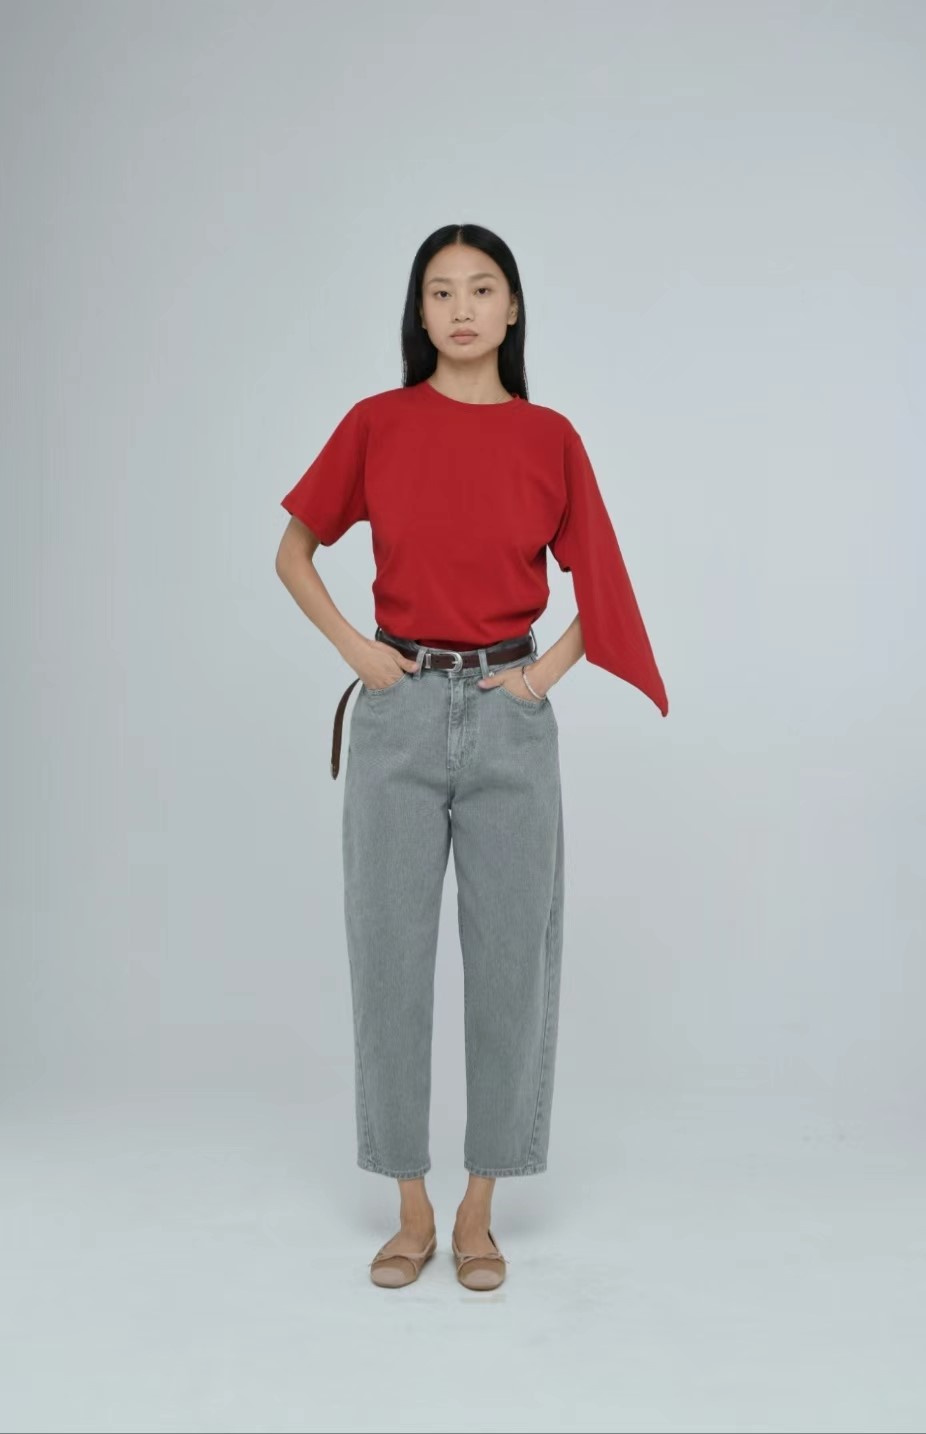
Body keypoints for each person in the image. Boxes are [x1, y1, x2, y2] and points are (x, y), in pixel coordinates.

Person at [275, 223, 668, 1291]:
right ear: (419, 313)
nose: (460, 308)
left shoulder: (549, 437)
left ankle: (479, 1208)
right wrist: (358, 651)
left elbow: (604, 582)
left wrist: (540, 680)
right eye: (440, 291)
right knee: (389, 959)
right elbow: (294, 550)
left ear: (511, 309)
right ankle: (409, 1207)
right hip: (397, 713)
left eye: (481, 288)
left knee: (511, 966)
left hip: (508, 716)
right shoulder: (377, 423)